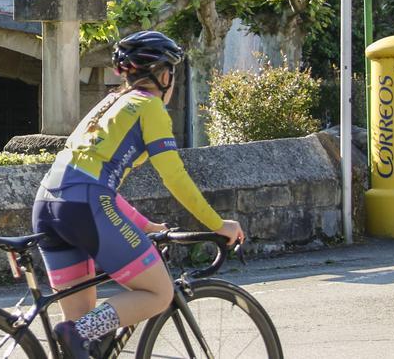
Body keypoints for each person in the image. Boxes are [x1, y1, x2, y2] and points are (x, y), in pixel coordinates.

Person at [31, 30, 244, 359]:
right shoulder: (150, 107)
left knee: (83, 345)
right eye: (172, 73)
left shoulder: (109, 103)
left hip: (48, 205)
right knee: (158, 293)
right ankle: (77, 330)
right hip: (83, 207)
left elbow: (92, 182)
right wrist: (217, 224)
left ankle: (78, 331)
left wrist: (147, 226)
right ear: (163, 75)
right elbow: (173, 176)